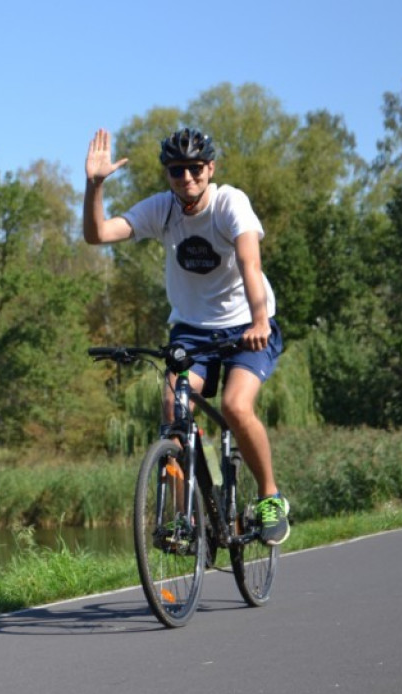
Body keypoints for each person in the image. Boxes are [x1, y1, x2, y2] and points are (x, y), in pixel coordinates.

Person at [82, 127, 290, 546]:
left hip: (246, 326)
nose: (188, 178)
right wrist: (94, 186)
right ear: (168, 175)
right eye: (177, 171)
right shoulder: (163, 209)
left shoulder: (230, 203)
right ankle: (183, 517)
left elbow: (250, 264)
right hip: (192, 332)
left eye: (196, 168)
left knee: (234, 405)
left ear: (209, 168)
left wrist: (260, 321)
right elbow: (97, 235)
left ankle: (270, 496)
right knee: (173, 407)